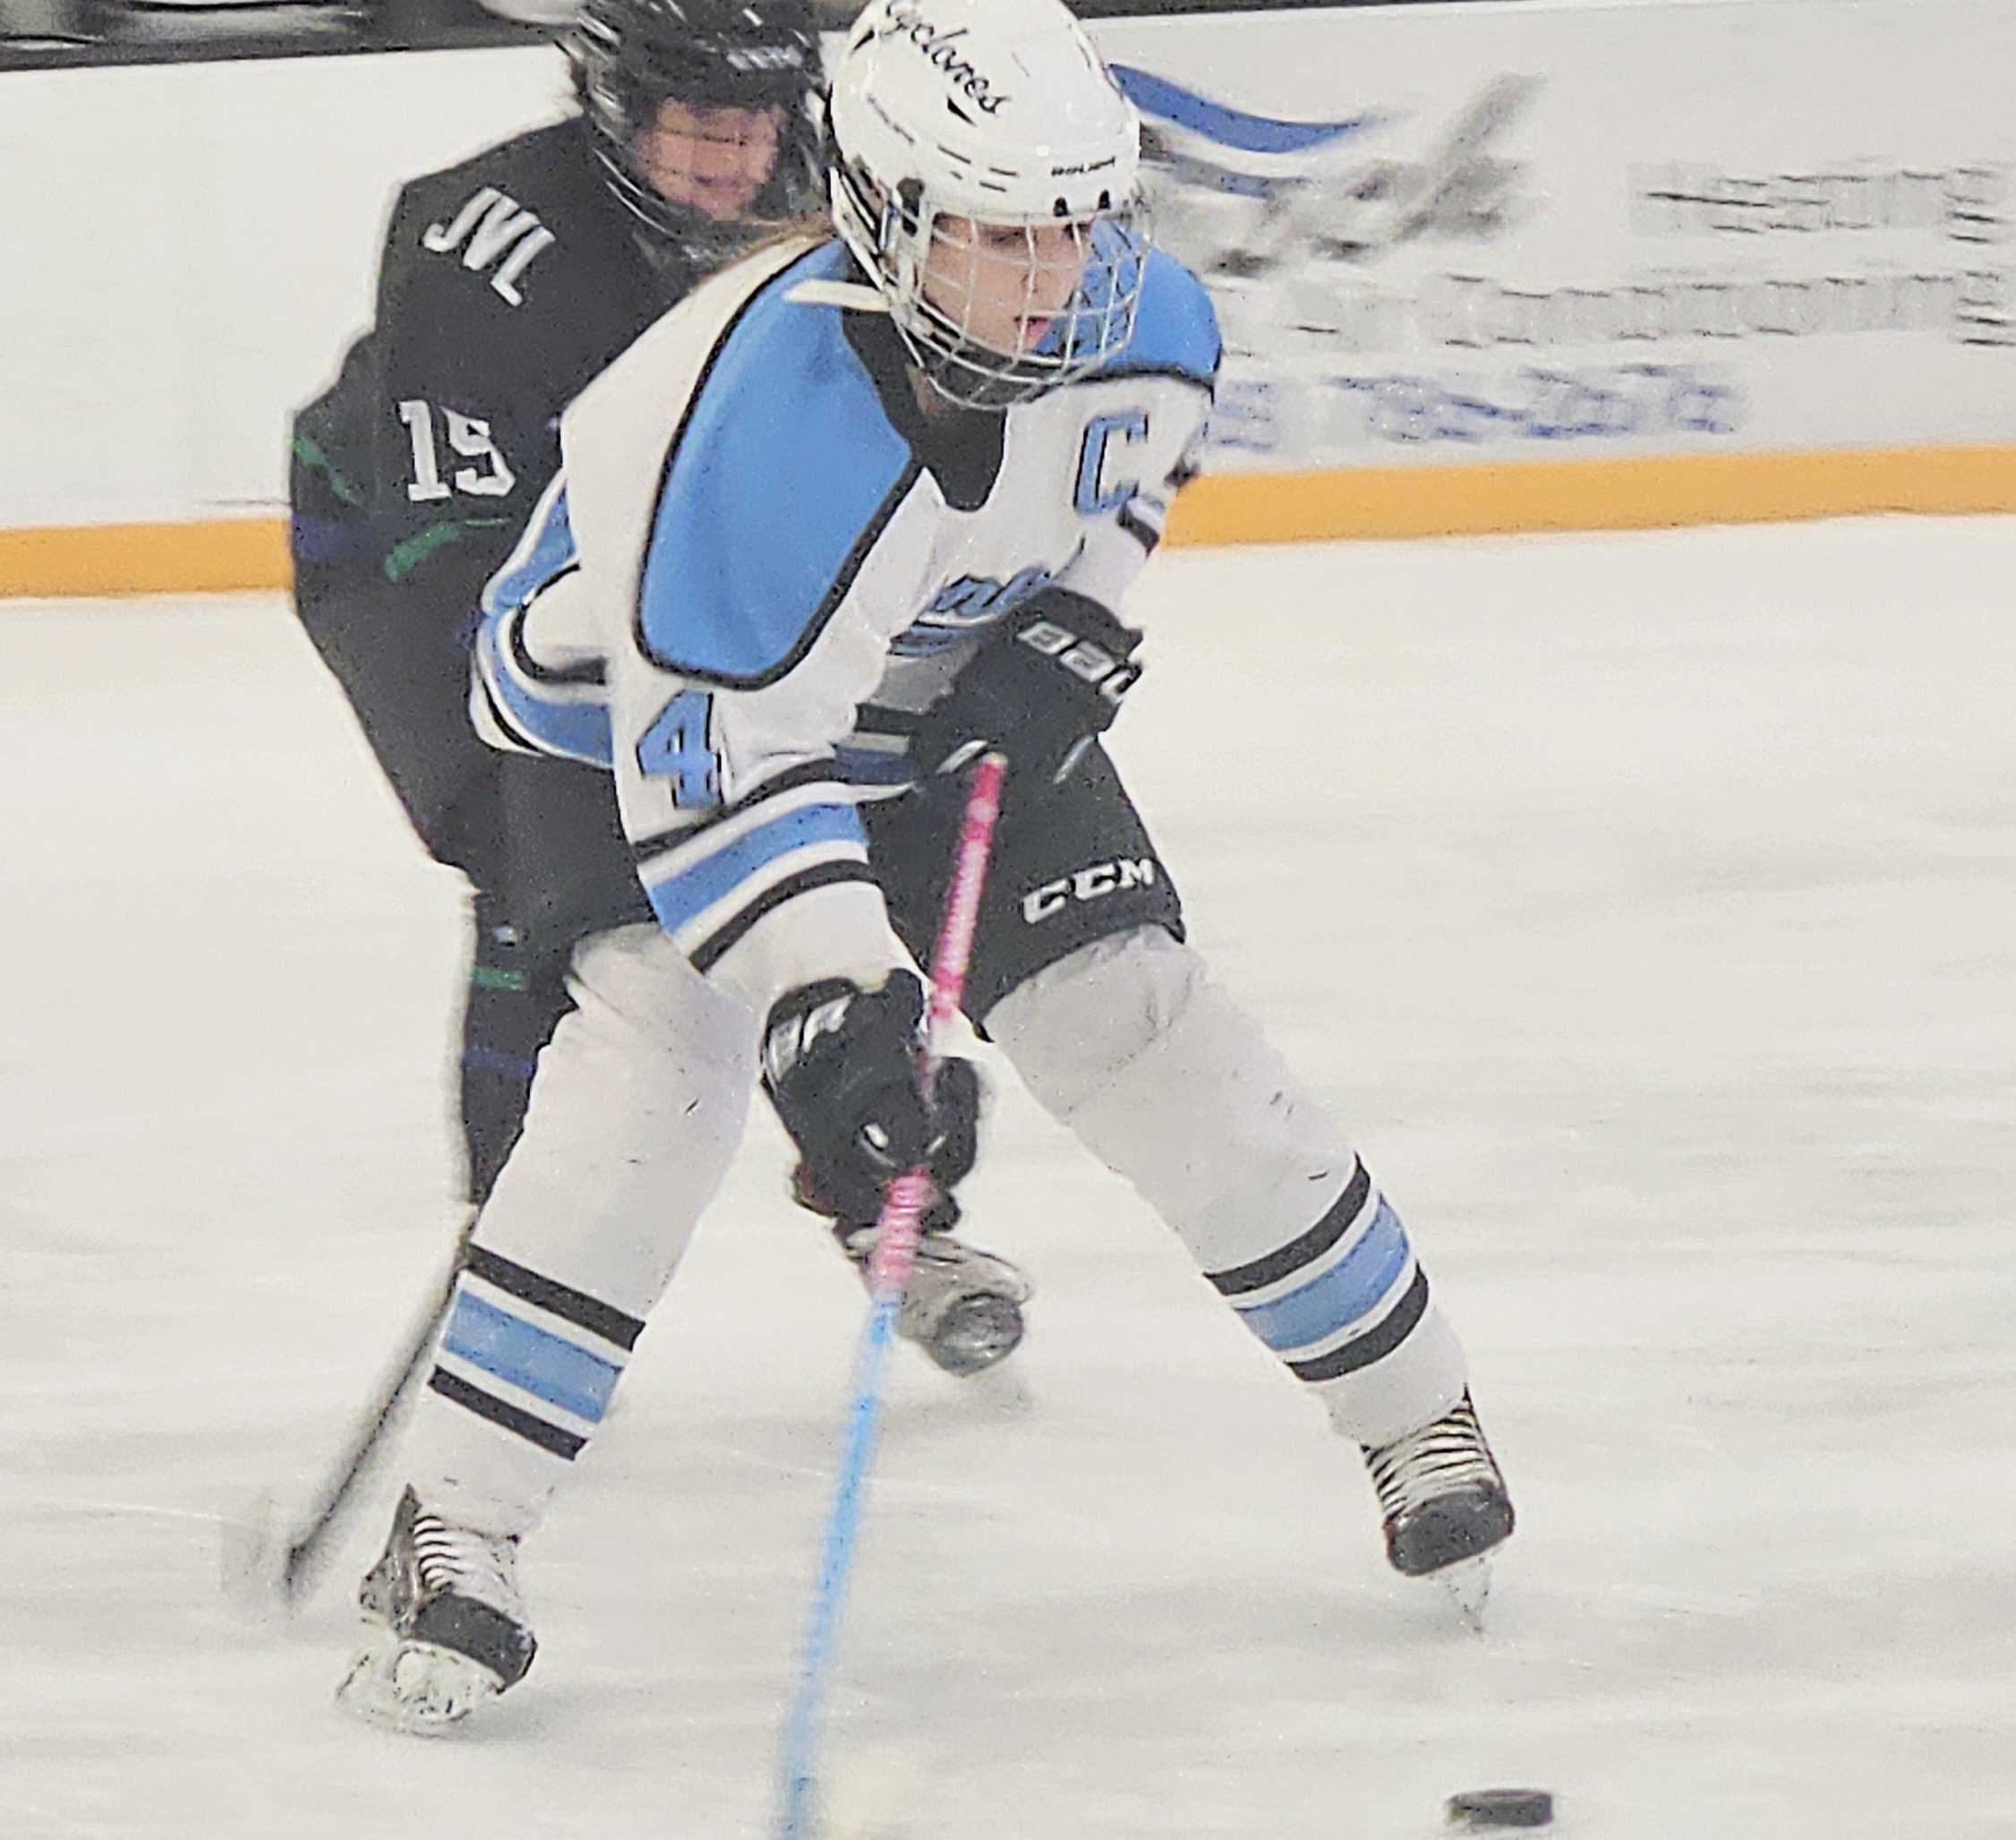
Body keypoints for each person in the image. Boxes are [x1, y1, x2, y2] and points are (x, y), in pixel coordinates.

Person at [338, 0, 1515, 1736]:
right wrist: (838, 1002)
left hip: (930, 688)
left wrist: (1071, 641)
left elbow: (1112, 498)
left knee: (1140, 1020)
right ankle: (458, 1524)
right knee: (661, 1059)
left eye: (1073, 224)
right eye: (997, 231)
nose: (1051, 277)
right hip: (632, 725)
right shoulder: (723, 424)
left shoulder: (1151, 322)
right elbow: (729, 767)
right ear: (888, 217)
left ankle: (1418, 1410)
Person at [286, 0, 1030, 1374]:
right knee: (544, 871)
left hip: (685, 563)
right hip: (417, 564)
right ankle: (515, 1248)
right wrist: (631, 737)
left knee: (809, 844)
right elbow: (464, 558)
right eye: (691, 123)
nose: (724, 164)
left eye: (750, 123)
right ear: (611, 101)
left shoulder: (847, 213)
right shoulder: (477, 238)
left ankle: (892, 1211)